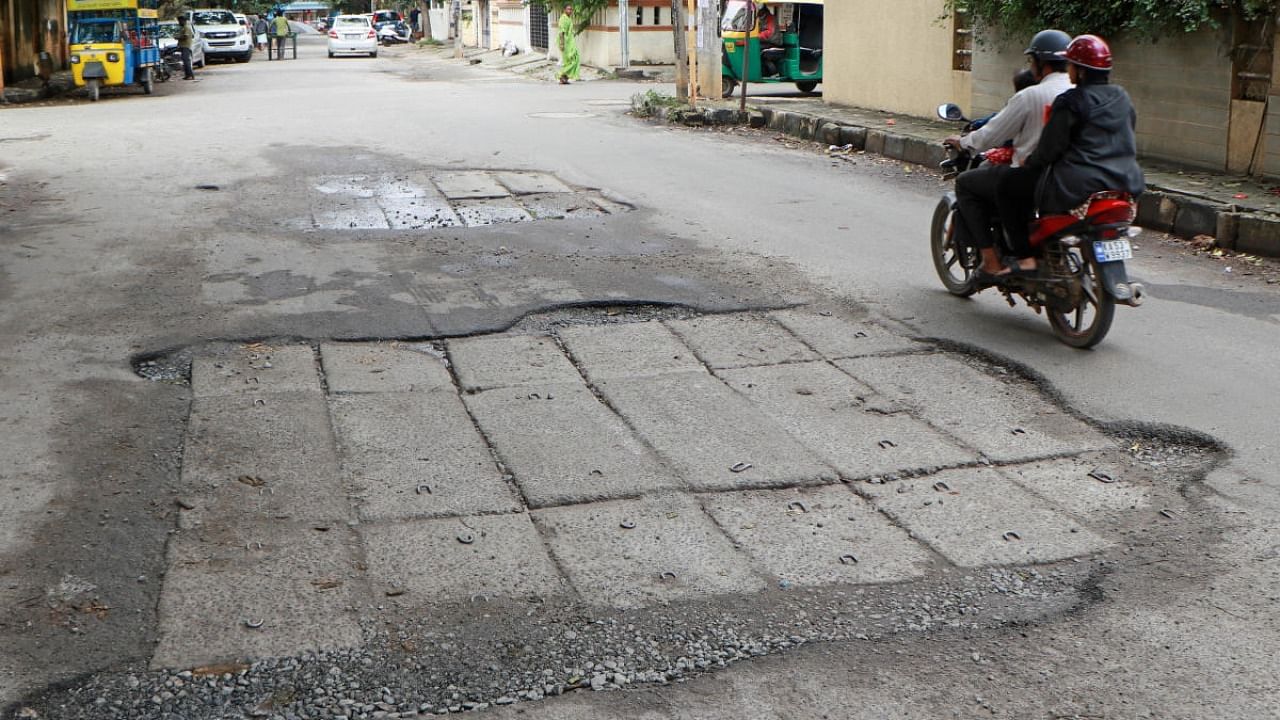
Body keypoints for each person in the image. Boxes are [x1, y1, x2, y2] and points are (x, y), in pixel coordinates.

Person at [996, 34, 1145, 267]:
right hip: (1126, 183)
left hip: (1079, 187)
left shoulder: (1071, 101)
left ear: (1080, 71)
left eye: (1071, 65)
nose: (1068, 70)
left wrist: (1030, 162)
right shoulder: (1122, 98)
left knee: (1007, 185)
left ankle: (1025, 258)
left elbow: (1049, 149)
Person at [943, 29, 1073, 280]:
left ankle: (991, 262)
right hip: (1071, 178)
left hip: (1031, 177)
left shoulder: (1030, 96)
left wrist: (963, 142)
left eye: (1032, 60)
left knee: (966, 184)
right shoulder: (1081, 92)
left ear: (1041, 64)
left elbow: (991, 133)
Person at [757, 6, 783, 77]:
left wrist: (756, 35)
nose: (758, 13)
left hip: (773, 42)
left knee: (756, 50)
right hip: (767, 42)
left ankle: (772, 72)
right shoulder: (761, 19)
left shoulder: (770, 18)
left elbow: (769, 33)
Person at [557, 5, 580, 84]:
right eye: (568, 9)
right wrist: (562, 44)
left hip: (570, 43)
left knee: (575, 59)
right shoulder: (563, 19)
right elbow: (561, 32)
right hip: (565, 43)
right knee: (570, 61)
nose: (570, 11)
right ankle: (561, 75)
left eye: (571, 9)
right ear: (564, 10)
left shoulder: (569, 18)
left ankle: (564, 78)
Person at [176, 14, 196, 80]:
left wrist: (178, 37)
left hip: (186, 46)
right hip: (183, 46)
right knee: (185, 61)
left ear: (183, 21)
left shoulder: (186, 27)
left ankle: (190, 75)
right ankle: (187, 75)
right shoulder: (183, 28)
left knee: (186, 61)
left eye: (180, 21)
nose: (179, 22)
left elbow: (186, 36)